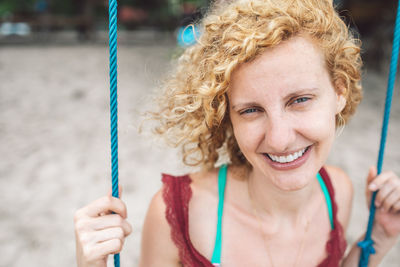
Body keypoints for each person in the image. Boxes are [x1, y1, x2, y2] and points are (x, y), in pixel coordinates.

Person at [73, 0, 400, 266]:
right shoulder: (178, 216)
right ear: (226, 115)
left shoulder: (339, 192)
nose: (279, 138)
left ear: (339, 91)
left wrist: (379, 241)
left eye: (299, 100)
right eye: (251, 110)